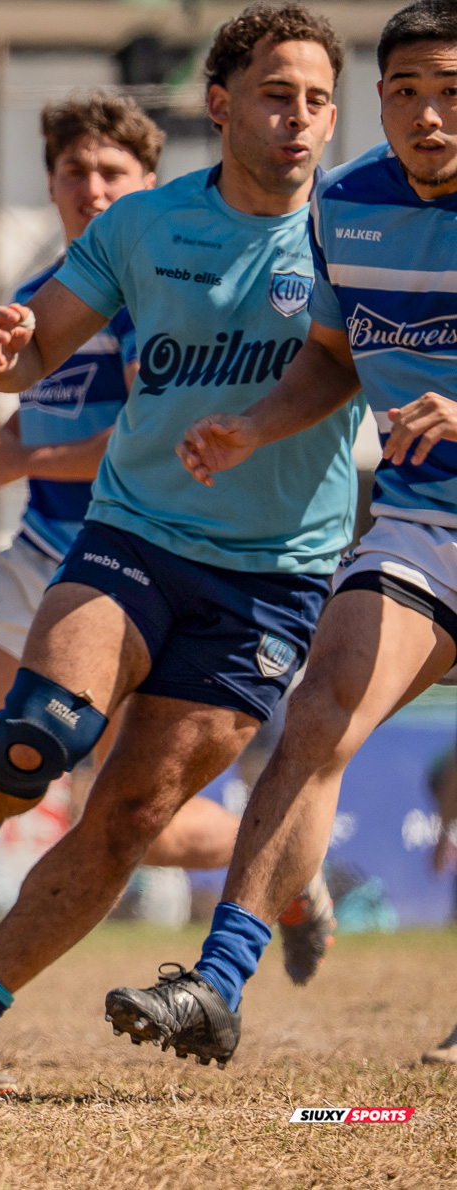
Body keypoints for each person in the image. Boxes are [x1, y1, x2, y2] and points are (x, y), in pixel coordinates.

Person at [0, 4, 354, 1094]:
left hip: (273, 580)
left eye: (320, 100)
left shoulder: (353, 232)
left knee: (132, 812)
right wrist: (7, 353)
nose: (301, 120)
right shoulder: (142, 226)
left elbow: (368, 365)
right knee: (39, 730)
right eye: (278, 95)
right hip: (135, 532)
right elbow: (41, 342)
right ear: (222, 104)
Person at [105, 0, 457, 1067]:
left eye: (451, 92)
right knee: (320, 711)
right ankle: (216, 985)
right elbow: (337, 360)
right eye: (407, 94)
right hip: (424, 525)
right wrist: (253, 426)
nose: (430, 116)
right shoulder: (346, 210)